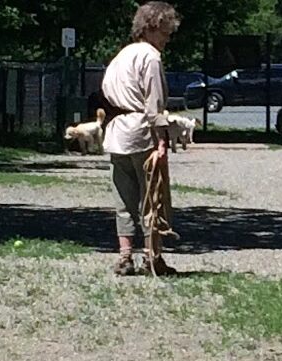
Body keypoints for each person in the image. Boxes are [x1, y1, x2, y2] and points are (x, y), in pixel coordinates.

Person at [101, 1, 180, 276]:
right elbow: (154, 104)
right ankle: (152, 258)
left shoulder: (120, 56)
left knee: (123, 198)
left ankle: (124, 256)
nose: (167, 40)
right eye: (166, 33)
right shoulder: (151, 57)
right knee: (152, 197)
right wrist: (161, 141)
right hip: (142, 131)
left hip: (116, 132)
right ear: (153, 27)